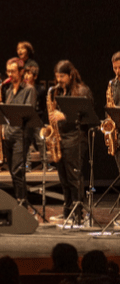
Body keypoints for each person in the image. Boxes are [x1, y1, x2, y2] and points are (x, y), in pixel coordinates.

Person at [48, 60, 92, 224]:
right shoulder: (59, 91)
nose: (59, 80)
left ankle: (78, 212)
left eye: (62, 76)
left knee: (74, 177)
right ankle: (67, 211)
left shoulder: (82, 90)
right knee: (64, 179)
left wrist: (64, 116)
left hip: (76, 137)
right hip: (61, 137)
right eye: (57, 76)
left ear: (70, 75)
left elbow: (87, 116)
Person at [2, 57, 36, 203]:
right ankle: (19, 200)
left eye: (13, 71)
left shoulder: (29, 89)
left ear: (21, 72)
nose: (10, 74)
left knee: (18, 170)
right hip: (9, 134)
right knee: (13, 171)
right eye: (8, 71)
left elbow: (28, 112)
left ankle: (22, 202)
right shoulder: (9, 90)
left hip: (21, 134)